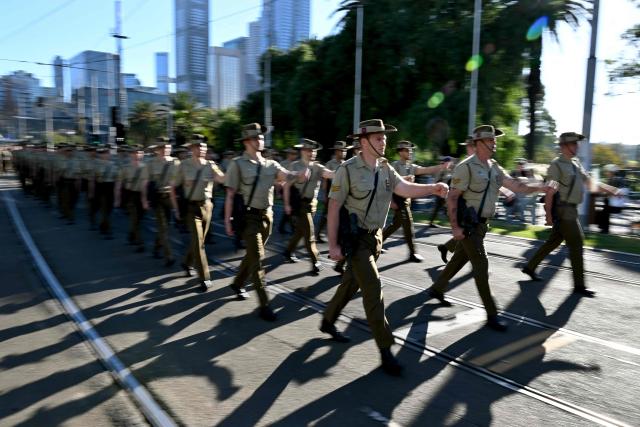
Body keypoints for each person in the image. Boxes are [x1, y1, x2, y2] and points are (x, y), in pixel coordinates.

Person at [321, 119, 449, 376]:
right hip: (355, 240)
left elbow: (404, 188)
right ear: (364, 141)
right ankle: (386, 349)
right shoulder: (347, 170)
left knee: (350, 284)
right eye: (379, 138)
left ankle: (327, 321)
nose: (384, 142)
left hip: (374, 238)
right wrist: (333, 244)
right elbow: (333, 207)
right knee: (373, 288)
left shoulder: (385, 168)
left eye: (385, 138)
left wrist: (432, 189)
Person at [428, 125, 552, 331]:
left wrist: (541, 187)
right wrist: (455, 228)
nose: (494, 143)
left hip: (481, 226)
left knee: (459, 258)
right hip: (468, 225)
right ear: (479, 143)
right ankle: (492, 314)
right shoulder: (466, 167)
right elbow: (452, 197)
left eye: (495, 140)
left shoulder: (494, 167)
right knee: (482, 268)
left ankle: (437, 289)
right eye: (490, 140)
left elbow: (516, 185)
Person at [224, 123, 309, 322]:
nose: (259, 141)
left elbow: (287, 177)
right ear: (246, 142)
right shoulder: (237, 164)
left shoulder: (271, 164)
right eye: (255, 138)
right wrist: (228, 221)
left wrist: (300, 175)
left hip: (267, 216)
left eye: (261, 137)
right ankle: (265, 305)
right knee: (258, 260)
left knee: (253, 254)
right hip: (248, 217)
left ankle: (237, 284)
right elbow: (229, 195)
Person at [521, 132, 623, 297]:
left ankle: (530, 267)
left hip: (571, 209)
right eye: (574, 144)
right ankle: (579, 285)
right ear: (564, 146)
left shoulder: (575, 164)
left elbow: (591, 183)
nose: (577, 146)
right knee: (577, 243)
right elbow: (549, 192)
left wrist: (612, 190)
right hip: (564, 210)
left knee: (553, 242)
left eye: (577, 143)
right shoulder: (557, 165)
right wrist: (548, 215)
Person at [170, 135, 225, 292]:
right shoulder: (183, 166)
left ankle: (186, 263)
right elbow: (173, 187)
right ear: (191, 149)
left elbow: (222, 178)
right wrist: (175, 209)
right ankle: (204, 277)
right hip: (191, 208)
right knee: (199, 243)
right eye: (197, 146)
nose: (201, 148)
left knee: (199, 241)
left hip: (207, 206)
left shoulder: (211, 164)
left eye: (203, 146)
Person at [382, 140, 451, 262]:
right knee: (408, 224)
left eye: (411, 150)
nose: (410, 152)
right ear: (400, 152)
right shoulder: (395, 165)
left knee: (396, 224)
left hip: (407, 198)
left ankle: (378, 242)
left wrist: (441, 167)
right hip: (398, 199)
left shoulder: (411, 166)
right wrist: (405, 179)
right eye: (407, 150)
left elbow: (425, 170)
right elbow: (390, 181)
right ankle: (412, 253)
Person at [282, 139, 335, 275]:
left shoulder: (318, 167)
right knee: (310, 234)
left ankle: (288, 251)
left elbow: (330, 174)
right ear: (302, 151)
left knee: (300, 231)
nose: (311, 153)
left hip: (312, 205)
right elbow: (287, 186)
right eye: (308, 150)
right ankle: (315, 261)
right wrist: (287, 204)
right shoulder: (295, 166)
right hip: (299, 205)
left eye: (313, 150)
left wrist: (346, 169)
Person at [148, 138, 181, 266]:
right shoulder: (151, 163)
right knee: (163, 227)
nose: (165, 150)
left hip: (170, 198)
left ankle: (157, 247)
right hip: (158, 198)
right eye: (162, 148)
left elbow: (179, 179)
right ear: (157, 150)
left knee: (165, 225)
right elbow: (146, 182)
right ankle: (169, 256)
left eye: (167, 147)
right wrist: (145, 199)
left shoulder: (175, 162)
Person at [115, 145, 149, 253]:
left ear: (142, 154)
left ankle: (131, 235)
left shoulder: (145, 168)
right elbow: (119, 184)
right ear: (130, 154)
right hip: (130, 196)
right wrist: (117, 199)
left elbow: (146, 185)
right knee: (135, 219)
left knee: (138, 219)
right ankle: (140, 243)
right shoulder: (125, 167)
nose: (137, 154)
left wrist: (145, 199)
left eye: (139, 152)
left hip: (141, 195)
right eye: (134, 152)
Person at [316, 141, 352, 243]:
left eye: (345, 151)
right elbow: (325, 179)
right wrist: (325, 195)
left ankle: (339, 237)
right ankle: (318, 233)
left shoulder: (345, 164)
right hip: (331, 193)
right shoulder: (330, 164)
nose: (344, 153)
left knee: (341, 215)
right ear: (336, 151)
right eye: (341, 151)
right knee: (326, 215)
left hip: (343, 193)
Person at [277, 148, 298, 234]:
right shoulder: (282, 164)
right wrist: (278, 192)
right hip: (285, 189)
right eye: (292, 154)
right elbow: (279, 180)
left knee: (290, 209)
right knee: (290, 208)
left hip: (293, 190)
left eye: (295, 154)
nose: (294, 155)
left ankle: (282, 227)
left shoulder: (296, 164)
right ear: (288, 154)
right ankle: (293, 228)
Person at [427, 156, 453, 227]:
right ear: (445, 162)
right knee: (443, 208)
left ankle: (431, 222)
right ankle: (453, 224)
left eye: (450, 162)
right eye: (448, 162)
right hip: (439, 192)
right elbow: (436, 181)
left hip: (445, 192)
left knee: (444, 207)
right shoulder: (441, 170)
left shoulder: (448, 170)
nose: (449, 164)